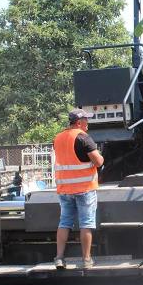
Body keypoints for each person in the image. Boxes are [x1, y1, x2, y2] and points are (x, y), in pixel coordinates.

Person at [53, 108, 104, 270]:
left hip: (64, 189)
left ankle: (59, 258)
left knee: (64, 222)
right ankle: (87, 260)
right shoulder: (83, 137)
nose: (87, 124)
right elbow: (98, 162)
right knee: (86, 224)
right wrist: (100, 156)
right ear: (78, 123)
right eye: (86, 121)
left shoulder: (58, 138)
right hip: (84, 189)